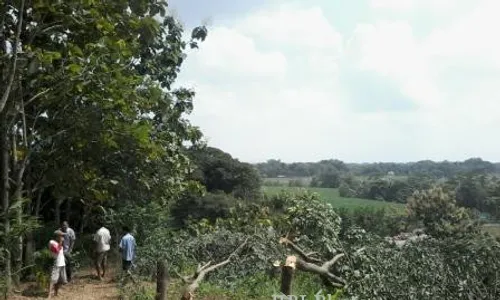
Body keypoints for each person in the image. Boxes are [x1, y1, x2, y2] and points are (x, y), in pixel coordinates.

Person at [48, 230, 67, 299]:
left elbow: (61, 252)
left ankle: (56, 293)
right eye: (61, 235)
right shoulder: (52, 242)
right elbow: (56, 251)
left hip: (62, 263)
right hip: (56, 263)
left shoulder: (59, 243)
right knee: (53, 279)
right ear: (57, 236)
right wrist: (61, 242)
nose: (62, 237)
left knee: (59, 280)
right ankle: (49, 295)